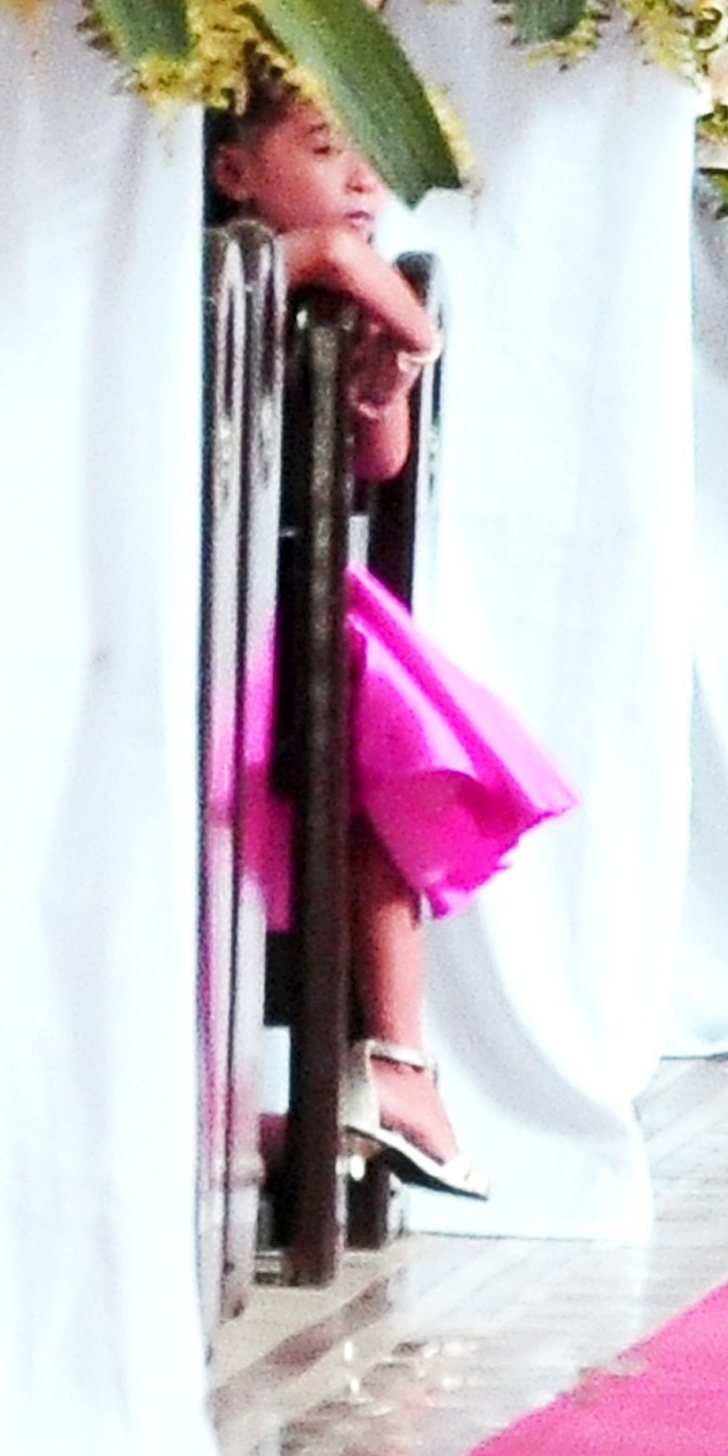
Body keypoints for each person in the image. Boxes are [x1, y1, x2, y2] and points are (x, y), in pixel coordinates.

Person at [211, 78, 576, 1202]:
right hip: (212, 606)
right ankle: (373, 1080)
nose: (364, 179)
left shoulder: (329, 282)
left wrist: (388, 360)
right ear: (232, 168)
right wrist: (390, 306)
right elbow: (318, 250)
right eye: (327, 148)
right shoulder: (220, 264)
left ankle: (393, 1064)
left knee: (379, 711)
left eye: (373, 153)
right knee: (363, 697)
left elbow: (376, 464)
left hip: (286, 603)